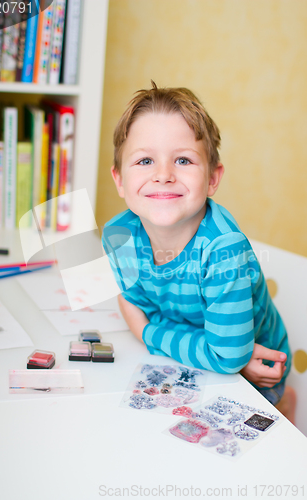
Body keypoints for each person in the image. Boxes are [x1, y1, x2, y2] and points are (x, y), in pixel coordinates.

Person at [102, 81, 296, 422]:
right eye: (145, 160)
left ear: (212, 179)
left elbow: (227, 358)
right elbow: (139, 302)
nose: (163, 175)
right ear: (119, 180)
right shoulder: (119, 235)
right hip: (202, 350)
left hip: (257, 371)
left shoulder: (222, 251)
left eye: (183, 159)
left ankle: (285, 404)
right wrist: (216, 350)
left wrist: (146, 331)